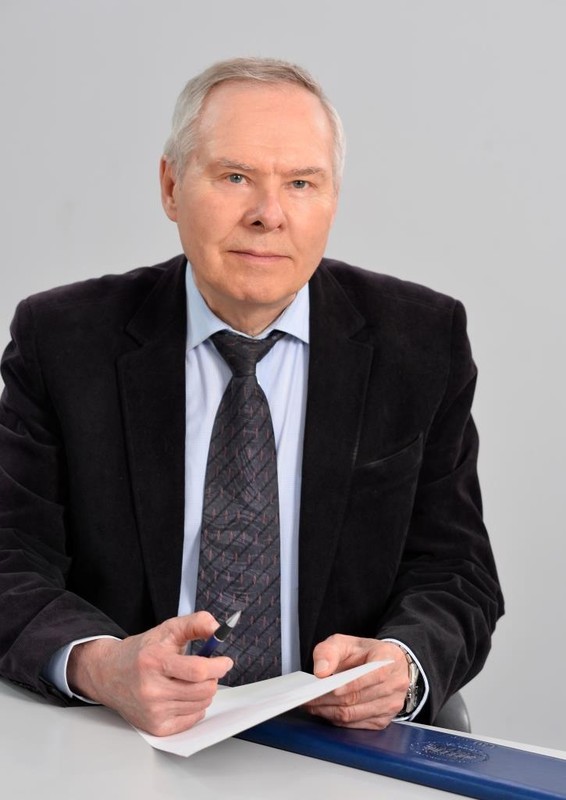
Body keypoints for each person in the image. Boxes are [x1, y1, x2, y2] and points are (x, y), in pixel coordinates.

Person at [0, 57, 503, 737]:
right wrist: (101, 665)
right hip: (124, 733)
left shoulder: (420, 342)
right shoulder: (64, 339)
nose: (269, 215)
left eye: (300, 183)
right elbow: (10, 556)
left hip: (336, 740)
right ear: (171, 187)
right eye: (235, 177)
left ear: (332, 199)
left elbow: (457, 571)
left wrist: (402, 663)